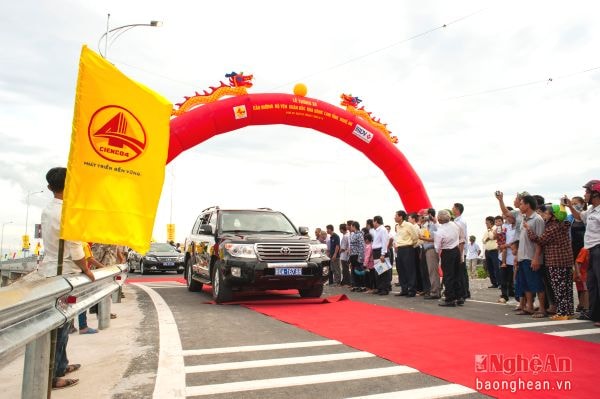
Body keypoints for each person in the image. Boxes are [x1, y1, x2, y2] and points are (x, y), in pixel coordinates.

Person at [40, 167, 95, 390]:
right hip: (66, 272)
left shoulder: (47, 210)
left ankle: (61, 365)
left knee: (62, 324)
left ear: (49, 187)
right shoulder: (67, 212)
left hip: (50, 269)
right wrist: (87, 270)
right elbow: (75, 248)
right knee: (61, 326)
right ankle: (54, 374)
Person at [525, 204, 574, 320]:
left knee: (559, 289)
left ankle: (562, 313)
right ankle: (569, 311)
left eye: (547, 213)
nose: (544, 215)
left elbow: (539, 240)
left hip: (555, 261)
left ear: (554, 215)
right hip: (566, 261)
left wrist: (529, 229)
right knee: (567, 288)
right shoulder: (565, 224)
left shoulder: (552, 227)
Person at [566, 180, 600, 326]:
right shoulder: (591, 210)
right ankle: (595, 314)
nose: (585, 195)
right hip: (590, 250)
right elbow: (579, 216)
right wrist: (570, 207)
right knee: (592, 284)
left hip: (598, 248)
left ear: (595, 193)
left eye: (587, 192)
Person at [517, 195, 546, 318]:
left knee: (536, 283)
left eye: (522, 203)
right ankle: (529, 306)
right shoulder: (524, 219)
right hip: (522, 256)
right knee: (525, 283)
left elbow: (540, 240)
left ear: (528, 205)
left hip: (532, 256)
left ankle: (542, 309)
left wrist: (536, 258)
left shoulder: (537, 219)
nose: (520, 206)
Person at [434, 210, 462, 307]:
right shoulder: (455, 225)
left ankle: (450, 298)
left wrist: (438, 254)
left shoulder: (440, 231)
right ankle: (459, 296)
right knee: (456, 274)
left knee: (448, 276)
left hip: (447, 252)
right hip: (456, 250)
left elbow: (437, 247)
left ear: (440, 219)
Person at [393, 210, 418, 297]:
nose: (394, 217)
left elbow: (415, 237)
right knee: (401, 270)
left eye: (396, 216)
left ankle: (412, 290)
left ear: (401, 217)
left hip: (408, 248)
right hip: (399, 249)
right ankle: (404, 289)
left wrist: (411, 245)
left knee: (409, 270)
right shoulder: (398, 227)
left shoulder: (408, 225)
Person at [419, 208, 441, 299]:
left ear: (430, 215)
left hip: (431, 249)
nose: (423, 216)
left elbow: (435, 237)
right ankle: (432, 290)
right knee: (429, 271)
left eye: (425, 214)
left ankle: (435, 292)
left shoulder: (434, 225)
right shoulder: (426, 225)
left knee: (433, 271)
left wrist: (422, 238)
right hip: (426, 248)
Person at [372, 215, 391, 295]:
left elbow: (384, 242)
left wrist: (383, 254)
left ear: (376, 221)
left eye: (373, 221)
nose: (373, 223)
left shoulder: (382, 230)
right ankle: (380, 288)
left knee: (383, 272)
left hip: (381, 251)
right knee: (379, 271)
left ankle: (385, 289)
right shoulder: (376, 230)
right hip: (376, 252)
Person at [482, 216, 500, 288]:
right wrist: (488, 238)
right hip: (487, 251)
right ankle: (494, 283)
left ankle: (499, 283)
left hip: (494, 251)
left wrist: (489, 235)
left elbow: (492, 237)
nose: (486, 224)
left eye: (487, 222)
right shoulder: (487, 231)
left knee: (496, 267)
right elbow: (483, 240)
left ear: (491, 222)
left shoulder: (495, 229)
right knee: (490, 268)